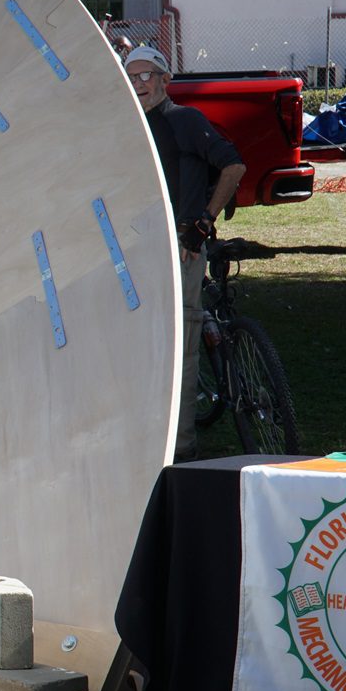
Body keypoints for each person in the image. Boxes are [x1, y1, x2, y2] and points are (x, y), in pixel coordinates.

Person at [127, 45, 245, 462]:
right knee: (142, 344)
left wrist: (203, 223)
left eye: (147, 75)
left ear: (165, 81)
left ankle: (181, 446)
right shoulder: (129, 129)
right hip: (140, 249)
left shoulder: (183, 120)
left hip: (183, 247)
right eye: (132, 76)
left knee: (182, 344)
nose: (139, 83)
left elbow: (234, 166)